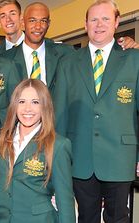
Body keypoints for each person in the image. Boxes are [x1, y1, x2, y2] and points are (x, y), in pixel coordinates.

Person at [53, 1, 139, 222]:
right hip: (80, 158)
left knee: (119, 217)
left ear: (117, 22)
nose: (99, 25)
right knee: (85, 217)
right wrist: (59, 158)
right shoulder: (68, 62)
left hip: (121, 156)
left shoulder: (134, 59)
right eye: (93, 19)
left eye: (105, 19)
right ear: (85, 24)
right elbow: (60, 114)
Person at [0, 79, 75, 223]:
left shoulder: (58, 145)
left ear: (45, 106)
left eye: (35, 102)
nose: (27, 109)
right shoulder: (1, 139)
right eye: (22, 101)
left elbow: (65, 203)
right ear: (14, 105)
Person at [0, 2, 73, 89]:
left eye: (43, 21)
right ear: (23, 23)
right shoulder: (5, 59)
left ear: (48, 24)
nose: (38, 26)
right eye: (32, 20)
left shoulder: (65, 54)